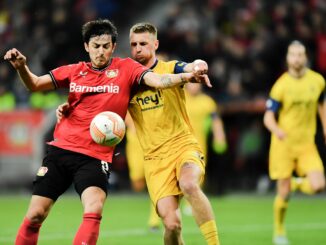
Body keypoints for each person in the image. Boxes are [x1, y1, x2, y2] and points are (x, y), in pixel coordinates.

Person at [4, 19, 209, 245]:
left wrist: (186, 76)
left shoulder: (127, 69)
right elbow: (34, 84)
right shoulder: (73, 72)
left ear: (113, 47)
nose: (100, 52)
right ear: (86, 47)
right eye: (95, 46)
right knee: (35, 215)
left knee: (94, 208)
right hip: (61, 150)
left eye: (105, 46)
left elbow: (159, 80)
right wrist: (22, 67)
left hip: (95, 157)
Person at [57, 22, 219, 245]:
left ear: (156, 44)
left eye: (143, 43)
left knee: (190, 184)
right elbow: (96, 107)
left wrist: (198, 66)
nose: (138, 49)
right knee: (172, 225)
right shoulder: (127, 81)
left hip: (183, 146)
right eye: (133, 44)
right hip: (154, 159)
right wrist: (67, 110)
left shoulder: (170, 68)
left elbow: (190, 66)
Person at [263, 40, 326, 245]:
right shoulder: (281, 85)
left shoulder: (317, 81)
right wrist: (277, 130)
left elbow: (322, 106)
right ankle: (279, 232)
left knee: (319, 186)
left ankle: (297, 183)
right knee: (283, 192)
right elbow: (268, 117)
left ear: (305, 57)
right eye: (293, 54)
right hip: (284, 145)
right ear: (288, 58)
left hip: (307, 144)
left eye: (300, 54)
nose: (297, 58)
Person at [182, 83, 227, 215]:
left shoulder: (207, 102)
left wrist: (220, 135)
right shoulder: (179, 97)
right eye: (192, 83)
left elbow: (215, 120)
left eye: (196, 83)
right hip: (179, 140)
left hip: (198, 144)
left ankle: (190, 202)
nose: (194, 86)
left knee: (196, 173)